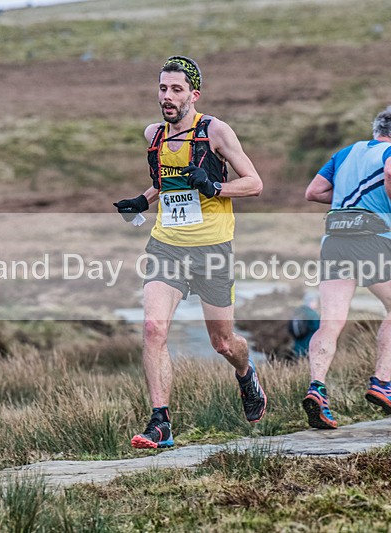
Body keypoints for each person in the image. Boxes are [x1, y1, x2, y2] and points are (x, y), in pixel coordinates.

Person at [113, 56, 267, 449]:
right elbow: (166, 182)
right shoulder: (154, 134)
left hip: (212, 249)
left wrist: (215, 187)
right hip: (167, 246)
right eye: (162, 88)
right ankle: (160, 423)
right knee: (153, 328)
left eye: (176, 89)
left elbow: (253, 184)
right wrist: (143, 200)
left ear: (193, 94)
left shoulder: (216, 131)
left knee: (223, 343)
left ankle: (246, 374)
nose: (167, 96)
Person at [302, 103, 391, 430]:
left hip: (335, 236)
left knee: (331, 320)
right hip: (371, 237)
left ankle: (318, 389)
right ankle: (381, 383)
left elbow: (313, 192)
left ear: (375, 129)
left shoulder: (345, 152)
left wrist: (348, 199)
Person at [288, 294, 321, 359]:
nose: (316, 303)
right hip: (308, 343)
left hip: (297, 344)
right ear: (311, 302)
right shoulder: (312, 314)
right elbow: (317, 327)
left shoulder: (298, 311)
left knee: (298, 360)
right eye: (315, 301)